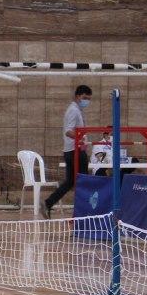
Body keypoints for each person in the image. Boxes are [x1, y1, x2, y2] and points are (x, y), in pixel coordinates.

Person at [41, 85, 92, 218]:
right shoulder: (73, 110)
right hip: (75, 151)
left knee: (70, 181)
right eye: (85, 98)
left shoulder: (77, 110)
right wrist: (80, 140)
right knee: (83, 180)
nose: (86, 101)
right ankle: (83, 212)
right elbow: (68, 131)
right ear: (77, 96)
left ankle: (48, 203)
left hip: (72, 150)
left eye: (88, 99)